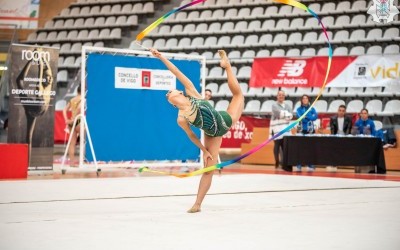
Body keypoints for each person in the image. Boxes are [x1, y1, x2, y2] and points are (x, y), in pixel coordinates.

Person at [150, 48, 244, 213]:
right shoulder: (181, 118)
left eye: (169, 91)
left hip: (224, 119)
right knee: (209, 168)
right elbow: (192, 136)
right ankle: (198, 204)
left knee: (238, 95)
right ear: (172, 104)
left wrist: (161, 57)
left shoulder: (191, 92)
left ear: (178, 92)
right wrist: (204, 151)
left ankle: (227, 66)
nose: (167, 94)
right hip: (212, 133)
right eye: (167, 96)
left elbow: (176, 71)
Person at [16, 48, 54, 158]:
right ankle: (28, 162)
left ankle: (26, 162)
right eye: (49, 78)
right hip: (40, 109)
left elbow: (41, 73)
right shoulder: (48, 84)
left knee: (19, 81)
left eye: (50, 78)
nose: (50, 79)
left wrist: (35, 58)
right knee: (29, 136)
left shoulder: (41, 86)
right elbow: (48, 71)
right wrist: (41, 57)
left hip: (37, 107)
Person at [270, 90, 293, 171]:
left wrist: (284, 114)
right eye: (279, 95)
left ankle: (284, 163)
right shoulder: (274, 105)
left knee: (284, 147)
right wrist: (286, 114)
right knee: (277, 145)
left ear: (284, 96)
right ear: (277, 96)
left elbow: (291, 116)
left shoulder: (287, 105)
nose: (281, 96)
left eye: (282, 95)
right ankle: (277, 160)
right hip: (276, 129)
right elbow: (278, 114)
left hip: (285, 129)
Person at [295, 94, 318, 172]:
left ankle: (310, 164)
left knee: (310, 148)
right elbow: (300, 117)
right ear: (301, 100)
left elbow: (315, 117)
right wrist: (309, 117)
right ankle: (299, 164)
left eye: (306, 98)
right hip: (301, 130)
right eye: (303, 98)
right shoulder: (298, 109)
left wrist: (307, 117)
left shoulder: (312, 108)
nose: (305, 100)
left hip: (310, 130)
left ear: (308, 100)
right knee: (300, 148)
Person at [328, 105, 352, 172]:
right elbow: (332, 129)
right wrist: (334, 138)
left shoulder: (349, 118)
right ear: (337, 111)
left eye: (343, 111)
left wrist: (345, 137)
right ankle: (333, 163)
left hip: (345, 136)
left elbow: (348, 129)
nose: (341, 112)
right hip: (336, 135)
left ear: (345, 112)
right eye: (340, 110)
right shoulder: (333, 118)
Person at [63, 85, 82, 167]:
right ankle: (82, 161)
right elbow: (79, 108)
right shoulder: (83, 99)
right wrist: (74, 119)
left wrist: (67, 120)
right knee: (84, 141)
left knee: (72, 143)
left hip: (71, 121)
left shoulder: (72, 99)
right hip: (79, 120)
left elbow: (64, 110)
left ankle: (72, 163)